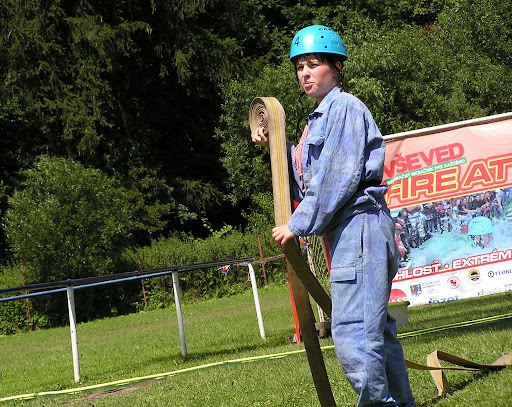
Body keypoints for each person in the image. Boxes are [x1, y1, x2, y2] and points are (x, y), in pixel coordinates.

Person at [251, 25, 415, 407]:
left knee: (354, 335)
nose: (304, 73)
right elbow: (304, 186)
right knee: (376, 332)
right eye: (300, 67)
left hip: (360, 228)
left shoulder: (344, 109)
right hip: (350, 231)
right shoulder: (316, 122)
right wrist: (277, 146)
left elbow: (336, 181)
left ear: (336, 67)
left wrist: (296, 226)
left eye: (313, 64)